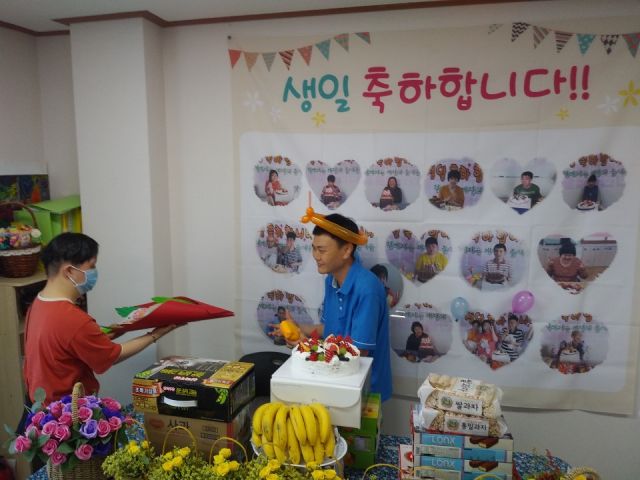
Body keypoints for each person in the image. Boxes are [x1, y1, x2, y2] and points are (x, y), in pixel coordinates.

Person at [22, 233, 177, 406]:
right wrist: (155, 334)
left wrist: (120, 328)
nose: (94, 272)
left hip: (37, 404)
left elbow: (73, 344)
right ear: (69, 271)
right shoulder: (72, 319)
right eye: (92, 266)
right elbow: (113, 355)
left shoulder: (39, 303)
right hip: (66, 412)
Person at [270, 213, 392, 401]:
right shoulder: (331, 280)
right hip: (334, 381)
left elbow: (357, 354)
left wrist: (306, 346)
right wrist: (298, 327)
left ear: (346, 250)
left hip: (364, 390)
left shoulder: (367, 289)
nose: (315, 256)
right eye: (313, 248)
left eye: (322, 250)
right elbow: (330, 330)